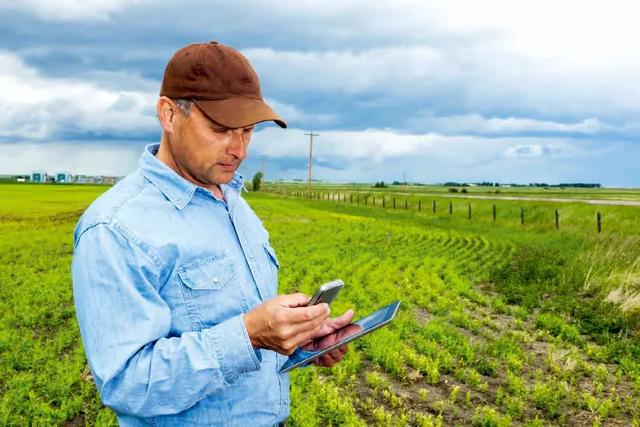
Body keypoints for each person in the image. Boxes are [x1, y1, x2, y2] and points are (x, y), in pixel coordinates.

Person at [72, 41, 354, 426]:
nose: (239, 149)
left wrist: (296, 340)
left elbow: (236, 326)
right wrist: (249, 336)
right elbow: (128, 384)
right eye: (221, 129)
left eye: (248, 131)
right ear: (169, 114)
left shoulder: (234, 201)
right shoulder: (115, 228)